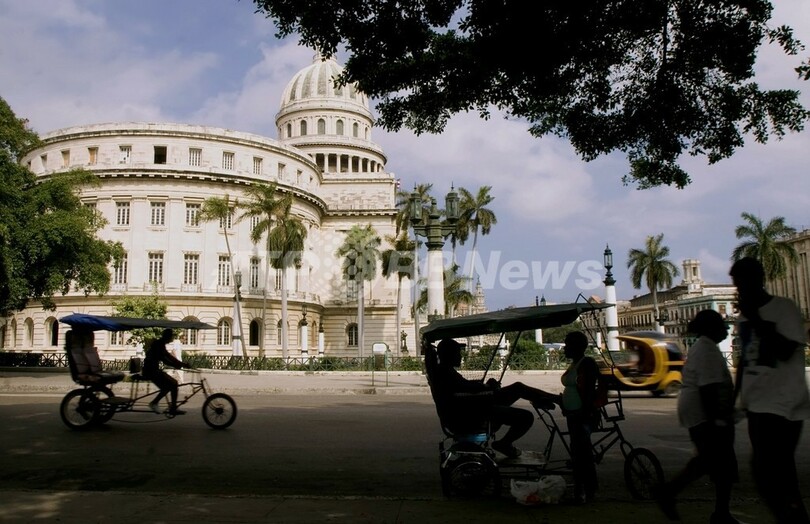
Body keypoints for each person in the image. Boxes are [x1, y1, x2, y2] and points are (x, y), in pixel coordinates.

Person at [730, 257, 810, 523]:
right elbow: (745, 359)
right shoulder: (745, 317)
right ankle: (791, 516)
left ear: (758, 280)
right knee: (771, 473)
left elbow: (786, 350)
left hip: (783, 403)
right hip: (757, 403)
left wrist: (756, 318)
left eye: (743, 285)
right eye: (737, 286)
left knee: (772, 470)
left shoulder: (784, 309)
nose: (740, 291)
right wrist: (735, 398)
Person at [654, 310, 739, 524]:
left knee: (714, 463)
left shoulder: (704, 347)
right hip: (705, 415)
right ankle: (670, 492)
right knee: (715, 462)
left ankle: (720, 512)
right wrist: (717, 420)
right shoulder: (706, 350)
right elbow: (708, 389)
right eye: (722, 326)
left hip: (701, 414)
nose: (726, 330)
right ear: (711, 329)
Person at [433, 338, 559, 459]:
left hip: (473, 409)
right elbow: (467, 391)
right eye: (457, 353)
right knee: (526, 416)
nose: (460, 356)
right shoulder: (445, 373)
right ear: (449, 355)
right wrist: (488, 389)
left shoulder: (444, 371)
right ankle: (504, 443)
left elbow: (466, 386)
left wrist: (485, 386)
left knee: (518, 388)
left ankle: (550, 398)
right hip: (473, 413)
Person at [560, 330, 599, 503]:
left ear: (576, 346)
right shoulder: (575, 364)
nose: (564, 348)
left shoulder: (587, 363)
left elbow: (589, 391)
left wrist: (584, 413)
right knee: (577, 451)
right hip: (573, 414)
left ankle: (585, 490)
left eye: (567, 345)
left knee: (582, 453)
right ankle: (582, 488)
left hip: (581, 415)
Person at [143, 329, 190, 415]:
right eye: (171, 336)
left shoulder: (160, 344)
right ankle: (156, 403)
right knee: (170, 385)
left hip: (153, 370)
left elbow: (168, 356)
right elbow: (165, 359)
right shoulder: (158, 344)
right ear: (167, 336)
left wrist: (181, 364)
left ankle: (172, 407)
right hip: (151, 371)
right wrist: (178, 364)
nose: (172, 338)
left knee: (173, 384)